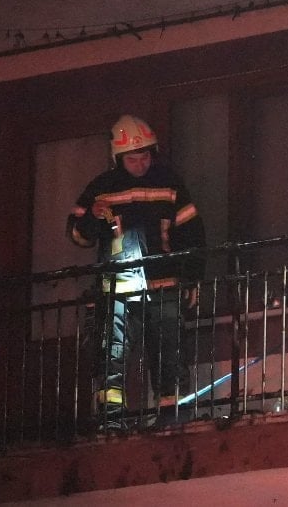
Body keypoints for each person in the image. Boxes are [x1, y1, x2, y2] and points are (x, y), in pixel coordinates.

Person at [67, 115, 205, 430]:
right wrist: (91, 217)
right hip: (117, 288)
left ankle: (172, 417)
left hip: (164, 283)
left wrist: (192, 277)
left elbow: (193, 235)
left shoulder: (169, 183)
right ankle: (111, 420)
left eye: (145, 157)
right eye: (133, 159)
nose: (141, 164)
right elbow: (78, 235)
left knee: (169, 352)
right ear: (118, 158)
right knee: (111, 354)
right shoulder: (101, 188)